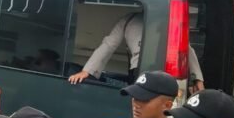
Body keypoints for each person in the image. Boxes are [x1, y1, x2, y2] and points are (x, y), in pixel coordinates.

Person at [68, 12, 204, 92]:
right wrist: (87, 71)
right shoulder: (165, 18)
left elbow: (108, 45)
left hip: (145, 70)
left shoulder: (129, 20)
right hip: (157, 71)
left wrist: (87, 71)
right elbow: (187, 47)